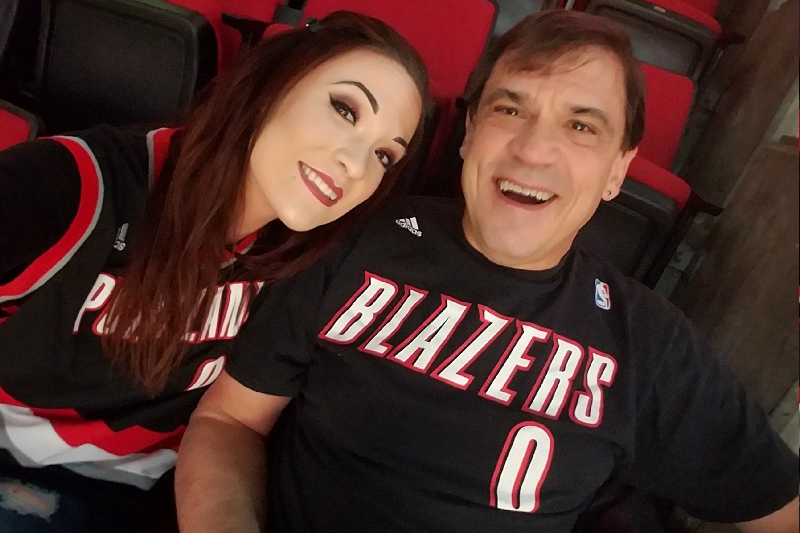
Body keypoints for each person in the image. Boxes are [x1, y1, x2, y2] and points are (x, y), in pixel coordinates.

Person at [175, 9, 799, 533]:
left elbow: (778, 511)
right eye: (509, 110)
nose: (533, 150)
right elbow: (229, 420)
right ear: (469, 132)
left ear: (618, 169)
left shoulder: (651, 344)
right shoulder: (358, 235)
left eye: (581, 125)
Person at [0, 11, 427, 532]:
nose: (356, 165)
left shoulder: (313, 261)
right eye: (344, 109)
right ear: (270, 84)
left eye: (385, 155)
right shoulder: (80, 184)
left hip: (155, 497)